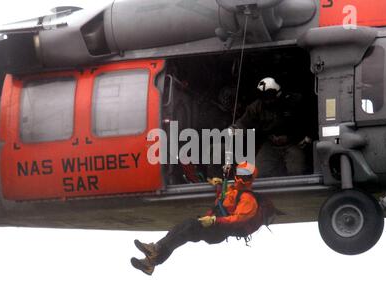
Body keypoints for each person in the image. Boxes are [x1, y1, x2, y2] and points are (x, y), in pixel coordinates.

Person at [131, 162, 270, 276]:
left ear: (250, 178)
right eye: (240, 173)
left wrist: (215, 220)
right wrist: (218, 186)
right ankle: (151, 262)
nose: (240, 176)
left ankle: (155, 250)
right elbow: (222, 202)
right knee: (180, 230)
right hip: (215, 226)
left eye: (244, 175)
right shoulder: (233, 191)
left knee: (188, 226)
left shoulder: (248, 199)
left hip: (218, 231)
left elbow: (238, 220)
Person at [234, 77, 311, 178]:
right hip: (270, 145)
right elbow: (244, 123)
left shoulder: (293, 101)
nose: (267, 101)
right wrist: (235, 130)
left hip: (293, 144)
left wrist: (307, 136)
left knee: (297, 172)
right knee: (259, 172)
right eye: (264, 98)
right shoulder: (257, 106)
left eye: (269, 97)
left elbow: (309, 119)